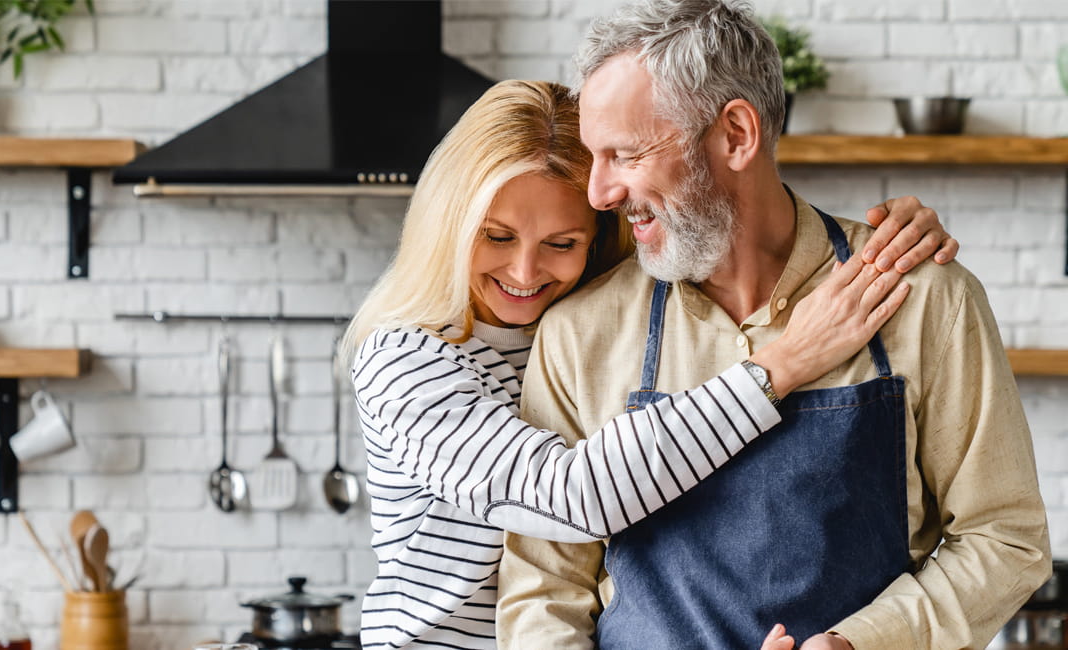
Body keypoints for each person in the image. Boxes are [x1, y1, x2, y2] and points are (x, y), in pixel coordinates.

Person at [495, 2, 1052, 650]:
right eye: (595, 157)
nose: (599, 193)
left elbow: (1004, 538)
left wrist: (864, 643)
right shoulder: (581, 332)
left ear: (736, 134)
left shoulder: (926, 300)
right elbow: (544, 591)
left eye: (625, 154)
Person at [344, 78, 961, 650]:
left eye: (561, 243)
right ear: (448, 224)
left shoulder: (573, 325)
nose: (526, 273)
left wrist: (884, 236)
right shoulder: (408, 359)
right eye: (497, 236)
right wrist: (786, 361)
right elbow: (573, 500)